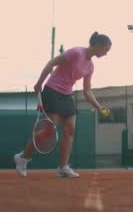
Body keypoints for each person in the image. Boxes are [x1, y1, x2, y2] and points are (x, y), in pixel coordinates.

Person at [14, 32, 112, 178]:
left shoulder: (90, 66)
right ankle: (22, 158)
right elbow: (51, 63)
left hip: (67, 95)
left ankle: (63, 168)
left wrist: (99, 107)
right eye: (105, 50)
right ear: (98, 45)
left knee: (69, 130)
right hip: (52, 90)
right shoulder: (76, 53)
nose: (105, 54)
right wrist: (39, 83)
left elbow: (87, 90)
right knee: (49, 131)